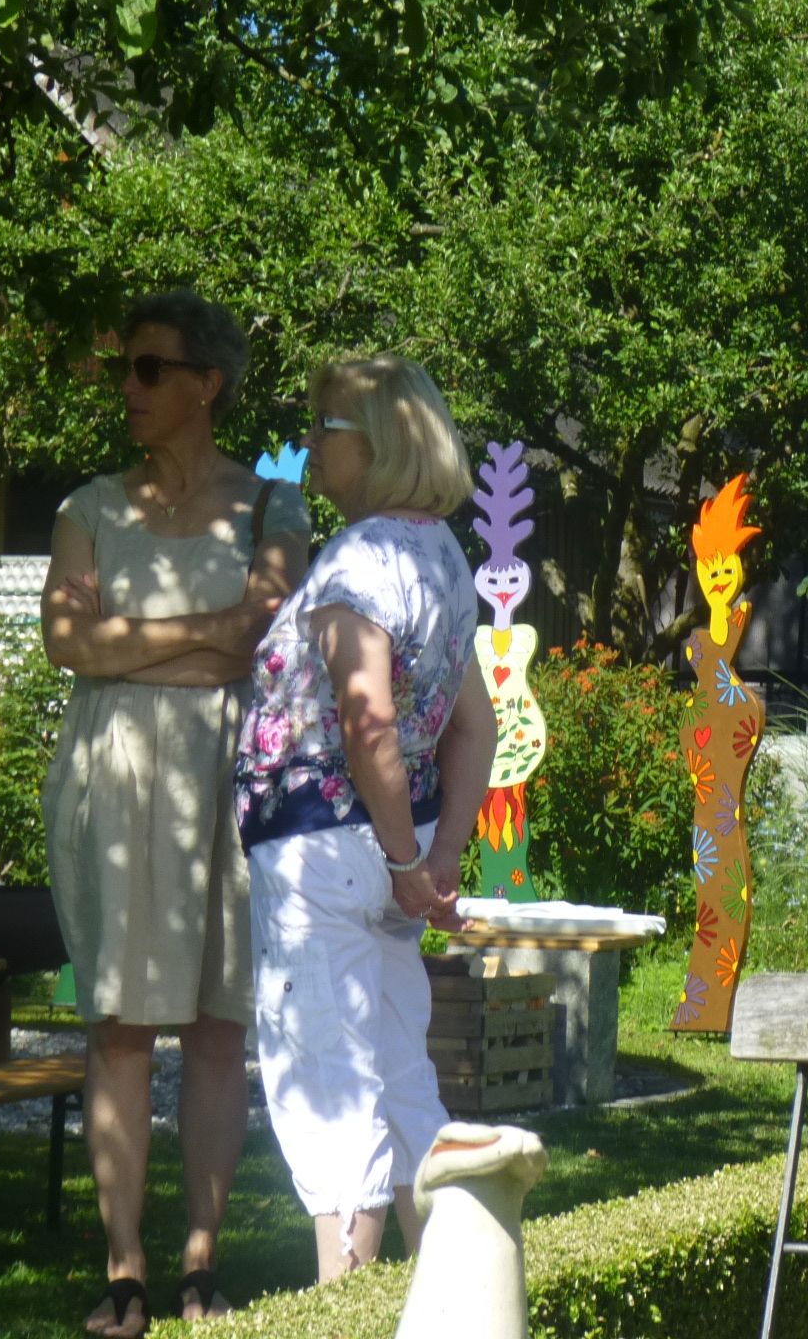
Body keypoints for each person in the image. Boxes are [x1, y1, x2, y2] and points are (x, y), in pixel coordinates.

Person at [42, 290, 310, 1337]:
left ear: (208, 384)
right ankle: (125, 1268)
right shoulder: (87, 508)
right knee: (117, 1023)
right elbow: (69, 644)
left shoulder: (272, 508)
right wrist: (208, 632)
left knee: (214, 1024)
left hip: (225, 774)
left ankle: (202, 1256)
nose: (129, 386)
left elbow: (264, 636)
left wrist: (130, 642)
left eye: (150, 368)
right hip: (112, 775)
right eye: (126, 366)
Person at [234, 354, 496, 1284]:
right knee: (401, 1077)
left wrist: (405, 860)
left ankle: (341, 1305)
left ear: (378, 442)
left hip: (323, 851)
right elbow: (474, 723)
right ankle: (450, 1300)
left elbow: (367, 717)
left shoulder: (355, 561)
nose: (309, 443)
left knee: (329, 1089)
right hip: (390, 852)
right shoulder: (443, 558)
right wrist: (436, 855)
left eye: (325, 427)